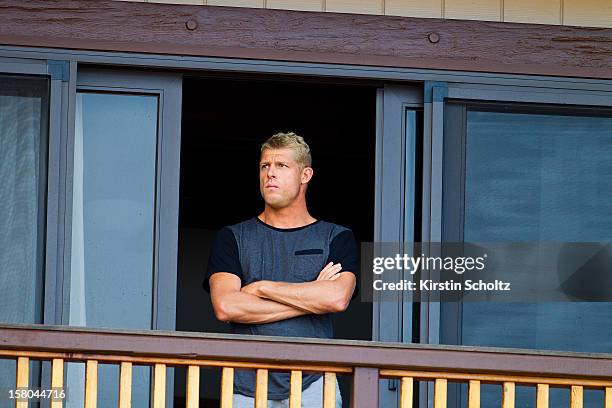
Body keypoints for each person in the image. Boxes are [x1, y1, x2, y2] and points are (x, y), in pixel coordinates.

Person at [203, 132, 358, 408]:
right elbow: (226, 306)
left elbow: (336, 298)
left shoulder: (336, 237)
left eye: (281, 166)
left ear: (305, 175)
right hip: (246, 387)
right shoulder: (232, 237)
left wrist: (262, 288)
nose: (270, 174)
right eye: (265, 166)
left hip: (314, 382)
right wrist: (312, 300)